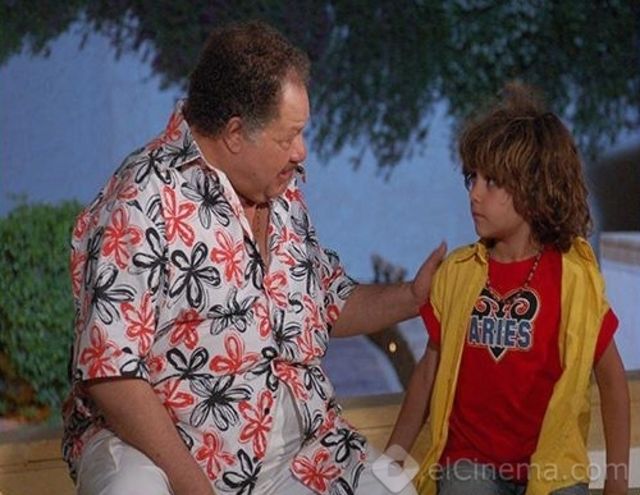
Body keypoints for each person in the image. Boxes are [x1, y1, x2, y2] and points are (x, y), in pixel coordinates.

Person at [62, 21, 445, 495]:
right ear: (235, 133)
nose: (302, 152)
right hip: (173, 456)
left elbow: (326, 302)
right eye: (288, 137)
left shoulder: (281, 191)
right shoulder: (141, 200)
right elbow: (111, 374)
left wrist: (412, 296)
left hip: (300, 454)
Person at [387, 83, 630, 495]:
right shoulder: (458, 273)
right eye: (472, 178)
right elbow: (427, 374)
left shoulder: (574, 278)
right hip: (471, 463)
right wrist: (389, 466)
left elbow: (612, 383)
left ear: (534, 189)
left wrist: (617, 482)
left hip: (553, 465)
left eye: (492, 181)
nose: (474, 194)